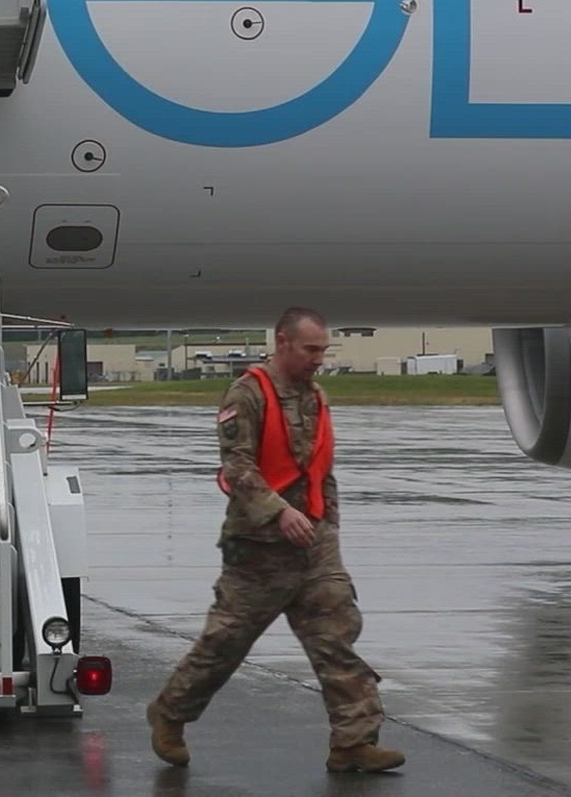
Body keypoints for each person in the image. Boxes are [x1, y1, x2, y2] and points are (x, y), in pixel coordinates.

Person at [146, 308, 406, 774]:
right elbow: (237, 467)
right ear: (282, 342)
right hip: (258, 549)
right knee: (224, 643)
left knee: (337, 639)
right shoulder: (248, 393)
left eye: (323, 350)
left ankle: (354, 741)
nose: (318, 359)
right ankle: (169, 713)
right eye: (311, 350)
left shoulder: (315, 395)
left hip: (314, 545)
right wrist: (280, 512)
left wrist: (328, 529)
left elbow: (321, 470)